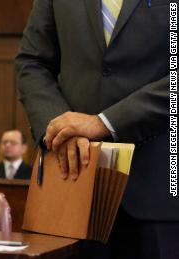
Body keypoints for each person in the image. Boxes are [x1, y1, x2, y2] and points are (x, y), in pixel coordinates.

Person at [16, 0, 177, 258]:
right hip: (73, 183)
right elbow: (32, 63)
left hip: (159, 188)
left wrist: (103, 122)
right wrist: (61, 129)